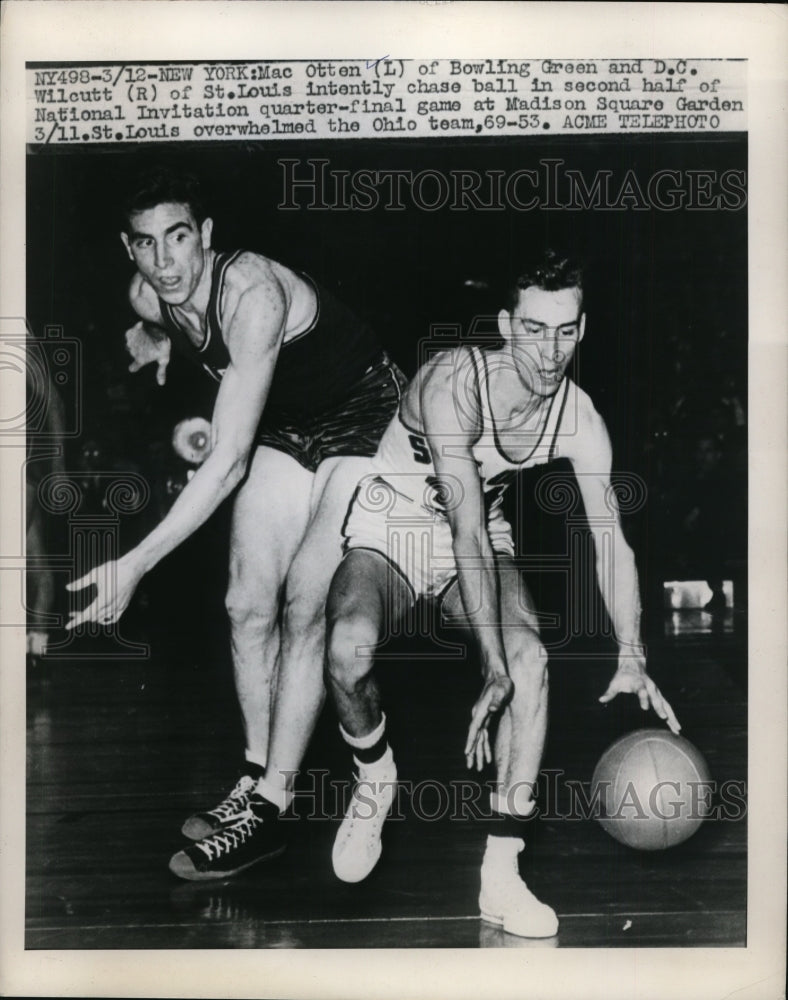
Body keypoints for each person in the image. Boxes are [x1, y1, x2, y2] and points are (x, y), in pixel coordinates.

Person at [324, 249, 681, 938]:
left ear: (584, 328)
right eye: (535, 329)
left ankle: (502, 870)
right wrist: (486, 661)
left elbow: (610, 540)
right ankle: (375, 774)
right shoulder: (456, 380)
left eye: (566, 331)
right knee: (347, 649)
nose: (551, 353)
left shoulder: (578, 416)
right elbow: (459, 530)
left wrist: (631, 652)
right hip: (392, 520)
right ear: (506, 325)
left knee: (532, 662)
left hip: (480, 535)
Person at [66, 166, 405, 879]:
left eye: (180, 238)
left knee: (306, 601)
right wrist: (157, 342)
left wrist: (135, 563)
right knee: (246, 604)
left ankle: (274, 807)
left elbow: (223, 465)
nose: (167, 262)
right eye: (148, 244)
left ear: (208, 237)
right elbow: (155, 318)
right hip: (287, 426)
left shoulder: (249, 292)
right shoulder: (149, 295)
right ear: (130, 251)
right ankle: (256, 780)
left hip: (366, 420)